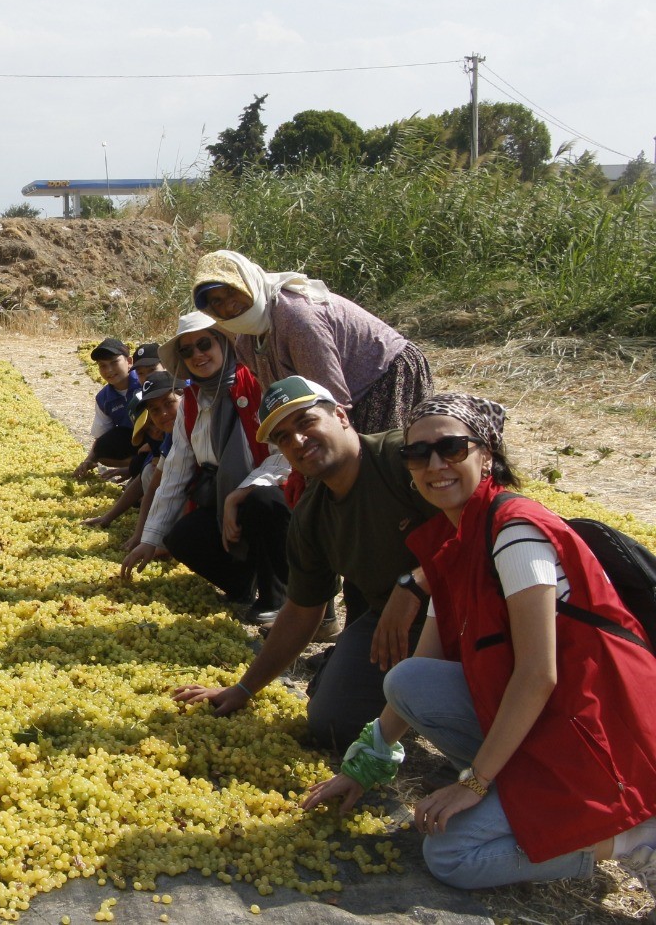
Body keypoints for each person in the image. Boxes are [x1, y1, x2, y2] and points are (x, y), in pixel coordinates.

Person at [303, 393, 656, 891]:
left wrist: (474, 783)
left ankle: (636, 839)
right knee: (406, 679)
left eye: (450, 448)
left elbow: (539, 673)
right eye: (417, 454)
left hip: (599, 735)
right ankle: (528, 795)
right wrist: (366, 765)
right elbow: (419, 674)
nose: (434, 465)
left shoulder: (516, 536)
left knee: (453, 856)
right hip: (548, 722)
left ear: (485, 454)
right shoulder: (455, 546)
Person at [171, 376, 439, 748]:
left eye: (306, 422)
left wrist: (417, 582)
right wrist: (244, 688)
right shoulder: (312, 514)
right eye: (282, 437)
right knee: (331, 724)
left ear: (341, 416)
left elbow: (484, 524)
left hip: (468, 608)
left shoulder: (400, 458)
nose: (297, 440)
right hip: (392, 626)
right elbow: (301, 611)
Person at [120, 312, 291, 622]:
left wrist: (239, 493)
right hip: (218, 498)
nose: (197, 355)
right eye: (187, 351)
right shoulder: (192, 401)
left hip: (269, 495)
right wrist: (150, 538)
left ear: (223, 343)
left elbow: (285, 457)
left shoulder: (258, 384)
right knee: (183, 536)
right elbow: (176, 470)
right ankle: (241, 584)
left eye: (204, 344)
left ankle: (277, 596)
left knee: (262, 502)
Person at [191, 249, 432, 435]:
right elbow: (281, 399)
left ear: (249, 282)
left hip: (383, 377)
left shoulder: (297, 319)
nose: (228, 305)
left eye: (232, 291)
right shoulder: (246, 341)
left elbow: (331, 402)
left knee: (380, 465)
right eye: (216, 302)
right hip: (349, 393)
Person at [83, 368, 178, 529]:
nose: (155, 430)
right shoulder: (161, 440)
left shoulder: (181, 432)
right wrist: (109, 517)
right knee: (147, 470)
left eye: (168, 404)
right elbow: (145, 482)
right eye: (148, 430)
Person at [74, 338, 142, 480]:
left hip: (159, 438)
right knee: (102, 449)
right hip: (134, 441)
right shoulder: (104, 398)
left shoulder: (144, 382)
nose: (109, 370)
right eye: (102, 366)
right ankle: (138, 465)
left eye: (114, 362)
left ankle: (142, 465)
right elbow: (101, 436)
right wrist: (89, 460)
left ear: (129, 362)